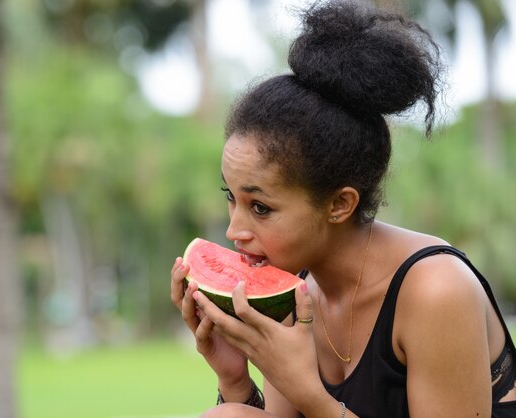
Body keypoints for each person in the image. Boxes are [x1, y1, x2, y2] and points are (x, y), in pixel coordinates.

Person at [170, 0, 516, 417]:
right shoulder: (296, 291)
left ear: (339, 204)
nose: (234, 231)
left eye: (260, 207)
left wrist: (310, 393)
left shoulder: (435, 289)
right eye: (232, 198)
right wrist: (234, 379)